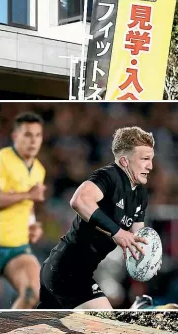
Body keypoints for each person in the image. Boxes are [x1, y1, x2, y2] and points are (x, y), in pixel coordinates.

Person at [38, 126, 152, 310]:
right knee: (104, 319)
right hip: (65, 268)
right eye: (145, 159)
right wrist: (116, 232)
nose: (150, 166)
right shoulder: (108, 176)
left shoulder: (140, 194)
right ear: (124, 161)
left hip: (80, 273)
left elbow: (138, 240)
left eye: (151, 159)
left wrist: (149, 257)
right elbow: (79, 200)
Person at [0, 112, 46, 309]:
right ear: (15, 136)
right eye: (28, 134)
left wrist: (32, 225)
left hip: (18, 247)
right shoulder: (2, 159)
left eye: (38, 135)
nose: (33, 141)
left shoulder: (39, 169)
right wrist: (28, 194)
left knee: (32, 295)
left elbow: (29, 207)